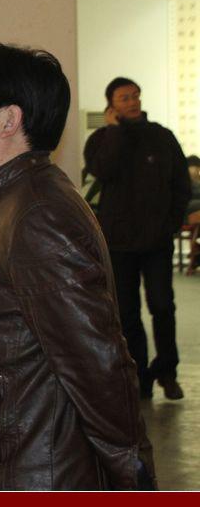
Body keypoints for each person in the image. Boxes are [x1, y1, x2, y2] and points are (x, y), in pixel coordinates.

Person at [0, 43, 155, 490]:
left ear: (8, 120)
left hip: (34, 477)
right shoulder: (8, 204)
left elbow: (98, 367)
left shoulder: (37, 215)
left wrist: (137, 482)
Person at [83, 77, 191, 401]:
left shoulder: (162, 137)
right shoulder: (102, 139)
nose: (132, 102)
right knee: (127, 313)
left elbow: (181, 184)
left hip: (157, 242)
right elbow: (102, 170)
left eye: (135, 96)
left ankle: (167, 372)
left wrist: (171, 224)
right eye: (124, 98)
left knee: (162, 306)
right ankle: (139, 376)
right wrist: (115, 131)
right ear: (111, 105)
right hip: (119, 244)